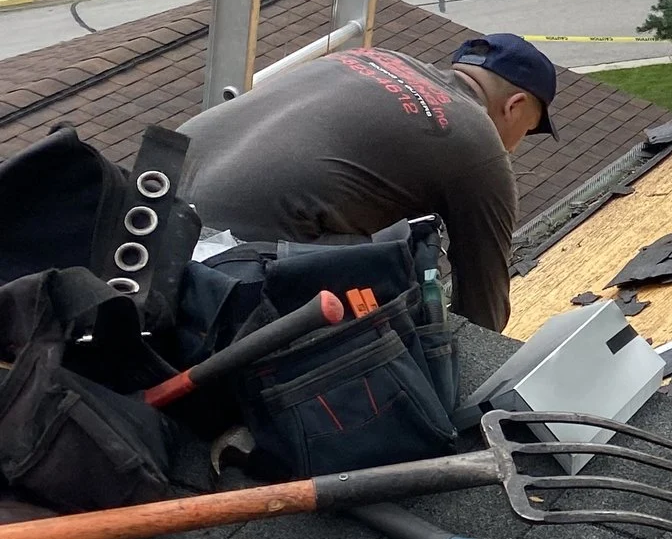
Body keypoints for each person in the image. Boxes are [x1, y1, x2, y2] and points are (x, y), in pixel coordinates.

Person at [179, 35, 558, 332]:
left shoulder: (373, 57)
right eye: (525, 130)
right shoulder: (479, 142)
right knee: (398, 266)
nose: (515, 145)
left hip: (156, 201)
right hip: (226, 258)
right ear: (515, 105)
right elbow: (482, 309)